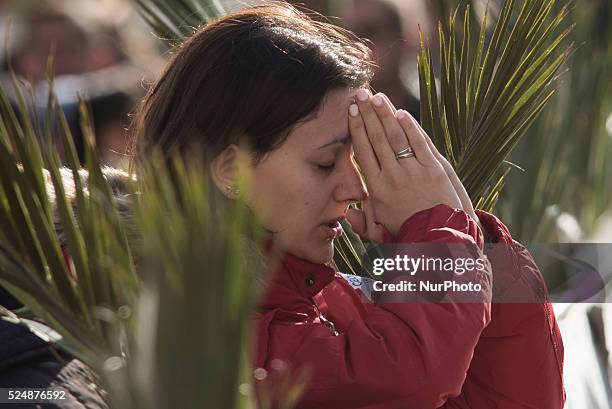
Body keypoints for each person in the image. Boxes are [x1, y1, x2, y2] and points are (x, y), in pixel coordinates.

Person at [133, 2, 565, 408]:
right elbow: (409, 376)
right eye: (325, 163)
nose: (355, 188)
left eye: (355, 159)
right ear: (229, 171)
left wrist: (476, 242)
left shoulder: (332, 300)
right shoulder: (182, 323)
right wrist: (437, 235)